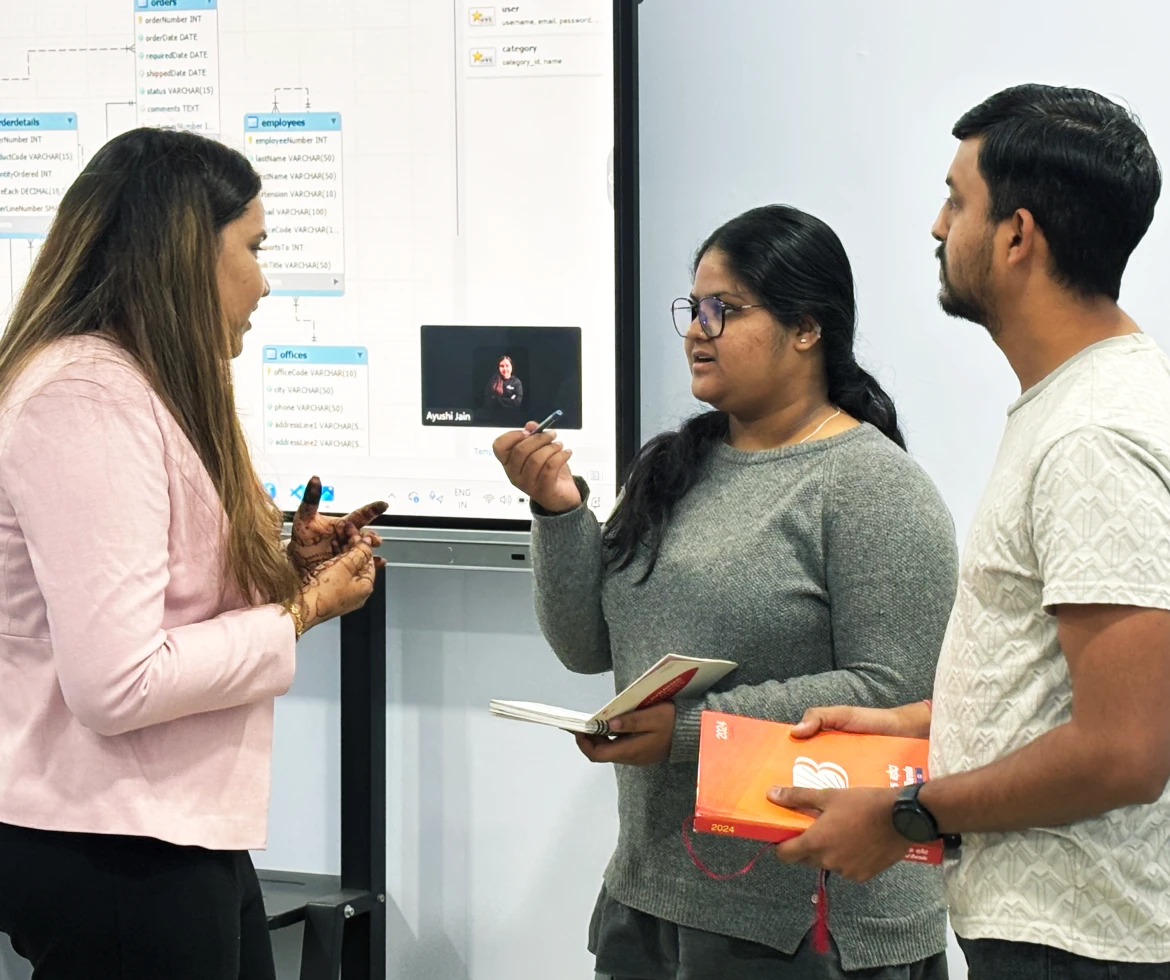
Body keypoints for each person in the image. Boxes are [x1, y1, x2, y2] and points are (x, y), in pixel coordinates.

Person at [493, 205, 960, 979]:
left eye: (725, 310)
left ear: (806, 328)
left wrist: (689, 732)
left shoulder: (873, 485)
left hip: (808, 925)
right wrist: (557, 508)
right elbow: (586, 648)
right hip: (648, 899)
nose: (696, 330)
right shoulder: (676, 468)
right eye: (693, 308)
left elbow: (896, 692)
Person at [769, 85, 1170, 980]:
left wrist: (909, 813)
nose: (936, 226)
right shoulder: (1075, 404)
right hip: (1055, 932)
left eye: (957, 200)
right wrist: (913, 723)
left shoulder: (1093, 434)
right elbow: (1063, 684)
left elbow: (1125, 750)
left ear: (1018, 235)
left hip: (1082, 943)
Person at [0, 128, 388, 980]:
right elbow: (117, 683)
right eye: (252, 248)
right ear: (182, 256)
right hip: (108, 843)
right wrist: (302, 610)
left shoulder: (146, 386)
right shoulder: (84, 399)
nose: (265, 279)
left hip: (163, 829)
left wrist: (283, 572)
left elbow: (163, 600)